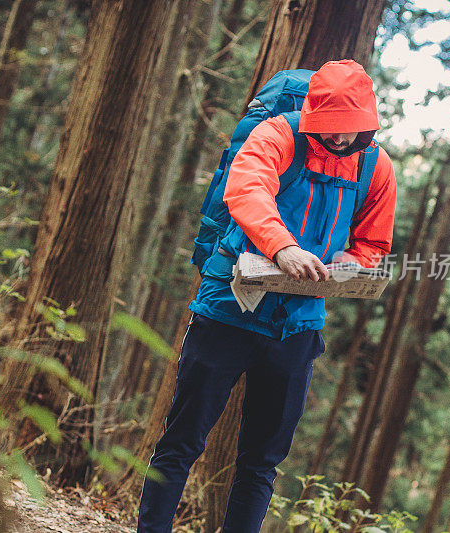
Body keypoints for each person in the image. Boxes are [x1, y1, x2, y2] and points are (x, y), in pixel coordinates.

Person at [136, 60, 397, 533]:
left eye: (349, 128)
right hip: (227, 311)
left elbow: (373, 243)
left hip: (297, 326)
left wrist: (353, 265)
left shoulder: (376, 166)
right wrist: (284, 246)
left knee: (262, 461)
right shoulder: (276, 136)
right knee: (182, 443)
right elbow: (247, 189)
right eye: (328, 127)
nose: (337, 138)